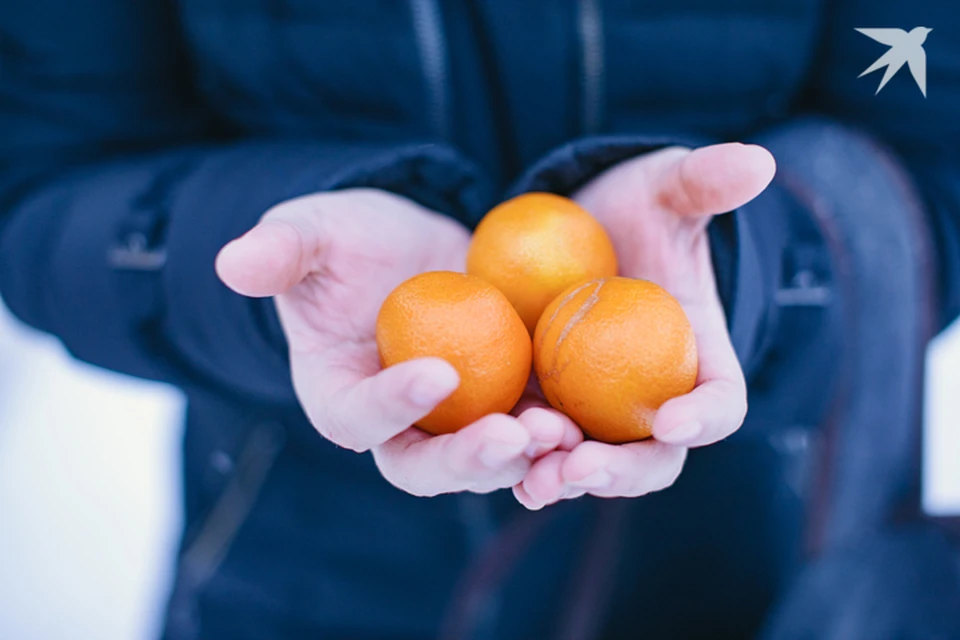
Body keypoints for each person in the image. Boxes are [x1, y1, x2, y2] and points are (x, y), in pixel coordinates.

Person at [1, 1, 958, 638]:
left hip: (733, 556)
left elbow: (932, 153)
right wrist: (271, 279)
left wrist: (755, 268)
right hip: (295, 567)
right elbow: (46, 195)